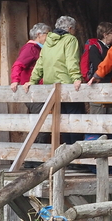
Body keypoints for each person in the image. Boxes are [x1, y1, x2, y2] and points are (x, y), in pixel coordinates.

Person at [24, 15, 83, 143]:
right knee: (75, 120)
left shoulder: (48, 41)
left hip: (50, 87)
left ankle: (66, 157)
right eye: (74, 29)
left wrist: (32, 80)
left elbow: (40, 63)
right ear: (70, 28)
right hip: (67, 85)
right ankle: (77, 159)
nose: (75, 31)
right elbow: (71, 60)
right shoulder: (70, 40)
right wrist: (76, 77)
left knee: (61, 121)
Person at [80, 22, 112, 114]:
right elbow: (98, 66)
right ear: (105, 34)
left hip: (110, 87)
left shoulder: (111, 48)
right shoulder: (95, 48)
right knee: (98, 115)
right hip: (98, 87)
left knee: (111, 116)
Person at [10, 23, 51, 91]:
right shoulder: (30, 48)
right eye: (47, 34)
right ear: (39, 35)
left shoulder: (39, 48)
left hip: (37, 88)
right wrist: (15, 80)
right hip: (31, 89)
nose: (49, 37)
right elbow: (18, 64)